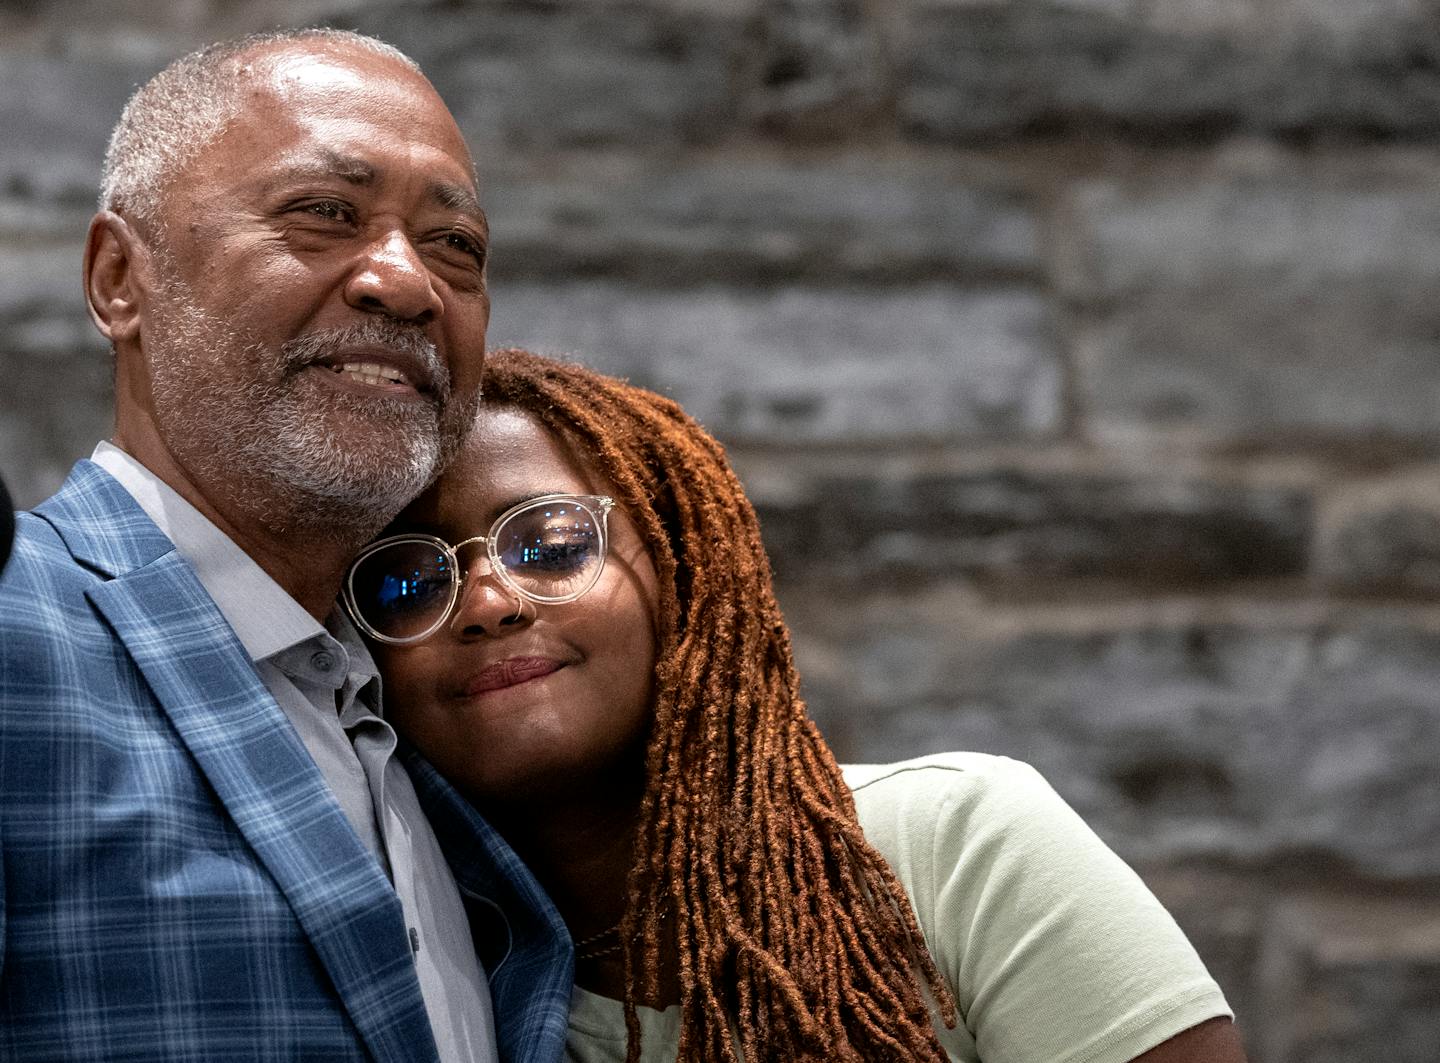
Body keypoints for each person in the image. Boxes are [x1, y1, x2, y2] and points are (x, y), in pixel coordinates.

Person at [351, 347, 1250, 1063]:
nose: (485, 603)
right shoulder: (429, 977)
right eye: (404, 581)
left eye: (549, 544)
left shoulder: (958, 844)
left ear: (683, 573)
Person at [0, 32, 571, 1062]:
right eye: (326, 214)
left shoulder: (430, 708)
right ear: (122, 279)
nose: (405, 283)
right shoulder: (19, 626)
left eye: (457, 247)